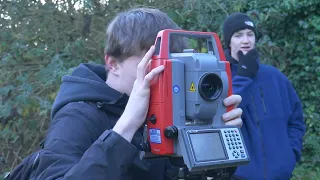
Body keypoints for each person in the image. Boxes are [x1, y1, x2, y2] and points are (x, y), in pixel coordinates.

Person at [22, 8, 243, 180]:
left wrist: (218, 144)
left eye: (174, 65)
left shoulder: (169, 108)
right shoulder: (77, 117)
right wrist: (126, 126)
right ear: (113, 63)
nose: (165, 74)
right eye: (154, 62)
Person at [221, 12, 306, 180]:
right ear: (228, 42)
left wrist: (290, 154)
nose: (246, 40)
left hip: (280, 174)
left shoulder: (275, 76)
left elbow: (296, 121)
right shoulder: (219, 77)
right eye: (238, 35)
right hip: (238, 176)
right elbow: (223, 113)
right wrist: (244, 76)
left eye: (250, 34)